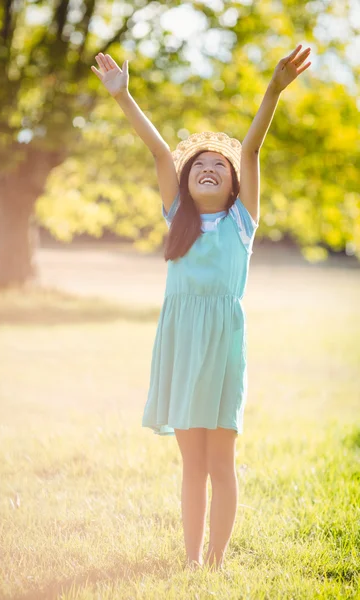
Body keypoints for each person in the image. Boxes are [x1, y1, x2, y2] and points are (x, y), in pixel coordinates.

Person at [91, 45, 311, 572]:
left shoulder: (241, 223)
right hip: (181, 344)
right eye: (200, 166)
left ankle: (216, 559)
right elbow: (161, 153)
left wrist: (273, 91)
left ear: (235, 186)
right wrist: (124, 98)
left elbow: (253, 150)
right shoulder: (177, 219)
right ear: (186, 184)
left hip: (223, 347)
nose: (209, 168)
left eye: (220, 166)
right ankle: (191, 561)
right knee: (191, 464)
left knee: (221, 462)